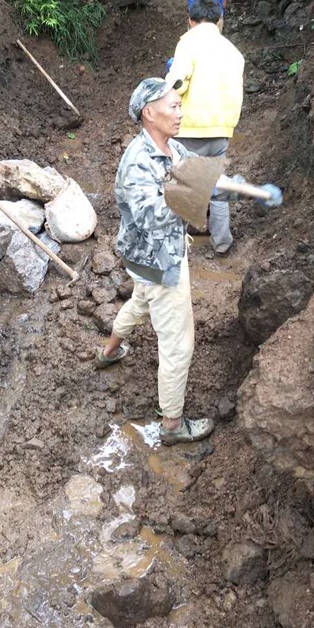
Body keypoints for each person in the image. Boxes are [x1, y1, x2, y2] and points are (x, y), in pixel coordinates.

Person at [94, 73, 215, 445]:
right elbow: (151, 218)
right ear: (149, 113)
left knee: (140, 300)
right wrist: (195, 194)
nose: (180, 112)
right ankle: (172, 426)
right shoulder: (138, 162)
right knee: (178, 344)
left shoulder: (171, 147)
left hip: (148, 257)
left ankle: (109, 351)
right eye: (173, 106)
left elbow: (194, 171)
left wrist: (221, 183)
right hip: (159, 259)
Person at [170, 0, 244, 256]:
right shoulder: (233, 52)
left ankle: (176, 243)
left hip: (190, 128)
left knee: (181, 184)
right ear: (218, 20)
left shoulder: (188, 43)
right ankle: (222, 243)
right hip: (221, 129)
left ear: (191, 21)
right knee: (216, 185)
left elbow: (177, 84)